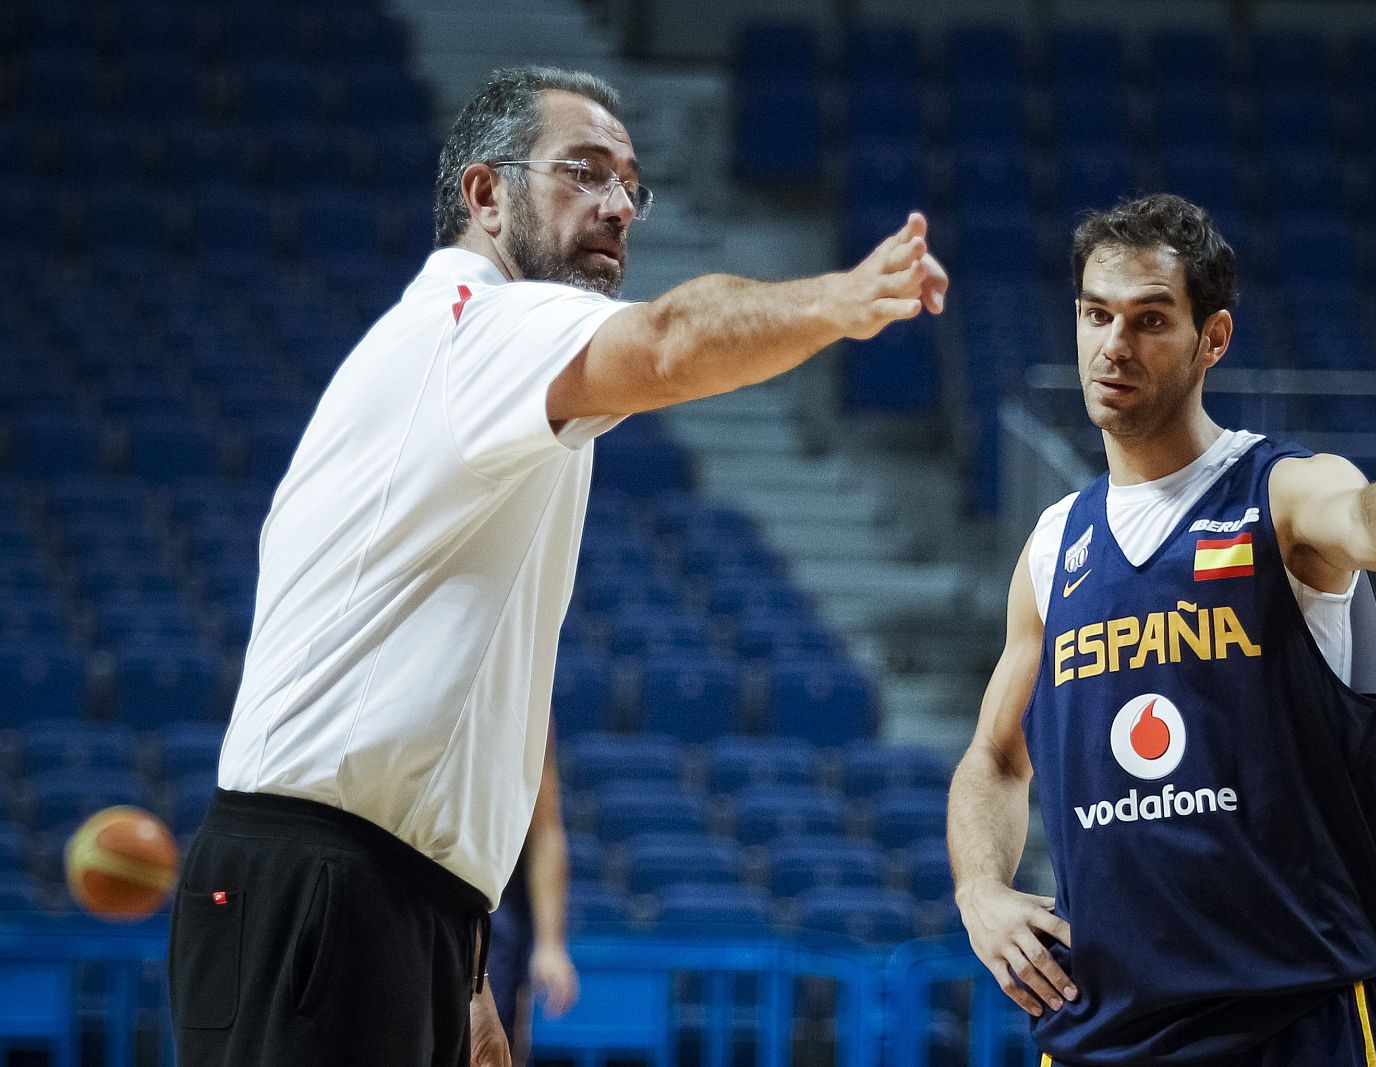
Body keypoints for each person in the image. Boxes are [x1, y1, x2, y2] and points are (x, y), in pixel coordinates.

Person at [168, 65, 947, 1067]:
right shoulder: (477, 325)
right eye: (583, 171)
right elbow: (670, 339)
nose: (618, 204)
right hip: (321, 884)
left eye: (631, 184)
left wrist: (460, 960)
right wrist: (840, 299)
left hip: (381, 890)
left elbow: (424, 700)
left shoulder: (480, 367)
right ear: (485, 194)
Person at [946, 193, 1376, 1067]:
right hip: (1099, 1031)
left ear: (1212, 338)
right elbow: (995, 757)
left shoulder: (1277, 490)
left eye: (1150, 320)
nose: (1114, 345)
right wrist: (980, 889)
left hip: (1286, 1025)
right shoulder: (1054, 543)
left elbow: (1355, 510)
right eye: (1097, 315)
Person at [485, 724, 579, 1061]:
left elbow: (545, 828)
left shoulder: (527, 687)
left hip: (496, 911)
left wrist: (551, 944)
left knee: (498, 1046)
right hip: (417, 894)